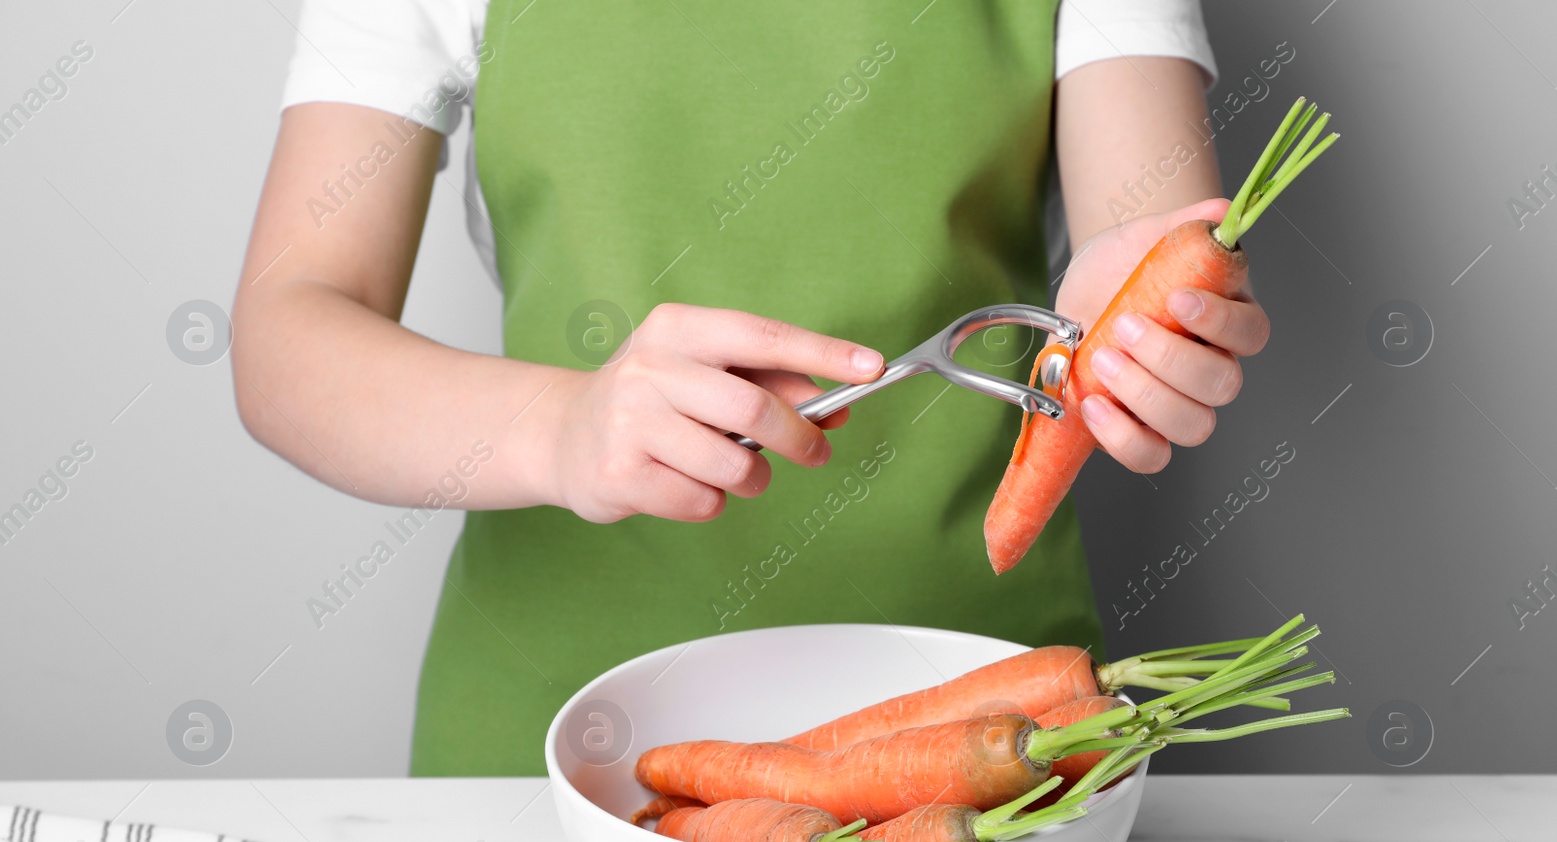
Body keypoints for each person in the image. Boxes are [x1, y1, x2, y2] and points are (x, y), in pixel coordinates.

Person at [232, 0, 1271, 776]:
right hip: (547, 751)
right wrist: (560, 428)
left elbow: (1146, 237)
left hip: (986, 740)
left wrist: (1144, 324)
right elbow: (287, 336)